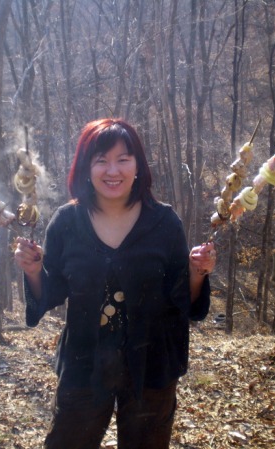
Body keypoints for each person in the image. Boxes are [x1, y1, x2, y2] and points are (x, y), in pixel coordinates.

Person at [14, 118, 216, 449]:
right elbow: (49, 294)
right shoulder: (67, 222)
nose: (113, 170)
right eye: (101, 160)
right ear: (86, 167)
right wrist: (34, 270)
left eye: (123, 159)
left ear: (138, 165)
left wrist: (199, 272)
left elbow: (185, 300)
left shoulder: (164, 222)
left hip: (152, 366)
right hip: (84, 363)